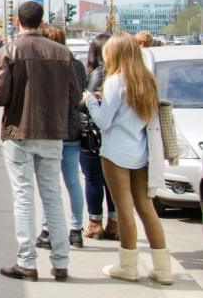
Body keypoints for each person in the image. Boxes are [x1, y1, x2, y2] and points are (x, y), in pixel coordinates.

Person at [0, 1, 79, 283]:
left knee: (23, 196)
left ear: (18, 22)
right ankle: (61, 262)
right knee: (52, 196)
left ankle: (27, 262)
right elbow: (75, 96)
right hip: (53, 132)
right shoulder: (63, 53)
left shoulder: (10, 50)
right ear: (42, 22)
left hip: (19, 132)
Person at [84, 32, 172, 285]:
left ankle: (127, 265)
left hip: (115, 152)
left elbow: (103, 121)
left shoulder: (115, 81)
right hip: (141, 150)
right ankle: (163, 269)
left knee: (123, 209)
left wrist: (91, 102)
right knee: (146, 208)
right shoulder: (147, 80)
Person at [35, 25, 86, 250]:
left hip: (51, 129)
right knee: (72, 180)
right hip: (72, 128)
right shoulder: (76, 64)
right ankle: (76, 230)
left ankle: (47, 230)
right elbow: (79, 95)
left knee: (49, 182)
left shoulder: (46, 65)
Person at [80, 33, 119, 240]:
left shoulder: (98, 73)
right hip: (112, 133)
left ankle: (95, 223)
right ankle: (114, 222)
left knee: (93, 178)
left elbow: (86, 103)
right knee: (111, 180)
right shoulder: (118, 72)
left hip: (93, 134)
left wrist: (83, 99)